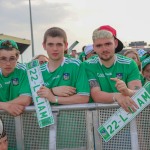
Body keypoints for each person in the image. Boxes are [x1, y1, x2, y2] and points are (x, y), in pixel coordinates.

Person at [84, 25, 142, 112]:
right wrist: (117, 96)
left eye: (108, 44)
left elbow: (138, 92)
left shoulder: (130, 63)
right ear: (94, 47)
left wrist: (127, 91)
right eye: (99, 45)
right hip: (97, 119)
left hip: (126, 116)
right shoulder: (87, 65)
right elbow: (96, 95)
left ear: (115, 43)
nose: (104, 49)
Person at [37, 27, 90, 104]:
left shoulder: (76, 65)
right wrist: (53, 90)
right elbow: (32, 99)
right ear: (44, 45)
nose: (55, 49)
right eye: (50, 44)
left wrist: (53, 98)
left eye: (59, 44)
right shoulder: (38, 72)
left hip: (73, 116)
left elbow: (83, 97)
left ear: (65, 45)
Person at [0, 39, 32, 116]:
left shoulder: (24, 71)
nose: (8, 63)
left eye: (12, 58)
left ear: (17, 57)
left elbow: (25, 99)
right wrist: (5, 106)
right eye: (3, 59)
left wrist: (3, 105)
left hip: (24, 119)